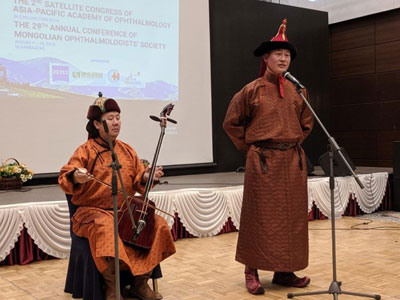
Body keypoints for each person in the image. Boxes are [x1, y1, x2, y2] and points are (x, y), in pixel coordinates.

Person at [223, 19, 314, 295]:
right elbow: (231, 123)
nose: (284, 59)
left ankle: (284, 270)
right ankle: (252, 270)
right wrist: (250, 149)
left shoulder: (300, 91)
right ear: (267, 58)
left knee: (292, 220)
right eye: (278, 54)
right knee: (258, 218)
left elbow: (307, 123)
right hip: (262, 163)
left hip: (292, 163)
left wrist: (292, 144)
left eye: (287, 55)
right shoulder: (251, 90)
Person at [59, 95, 176, 300]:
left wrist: (148, 176)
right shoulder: (85, 150)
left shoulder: (127, 150)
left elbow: (139, 179)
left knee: (158, 224)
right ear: (96, 124)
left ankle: (140, 283)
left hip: (124, 211)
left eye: (118, 117)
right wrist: (76, 176)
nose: (116, 122)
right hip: (91, 213)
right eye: (110, 118)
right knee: (107, 228)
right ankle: (112, 288)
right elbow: (65, 177)